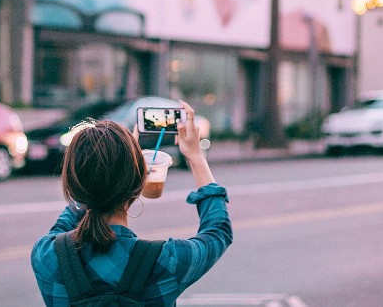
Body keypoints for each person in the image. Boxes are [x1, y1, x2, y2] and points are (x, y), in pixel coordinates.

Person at [31, 102, 232, 306]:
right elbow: (218, 232)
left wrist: (116, 163)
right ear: (139, 181)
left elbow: (74, 207)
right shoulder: (166, 261)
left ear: (72, 184)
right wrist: (196, 157)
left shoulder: (47, 255)